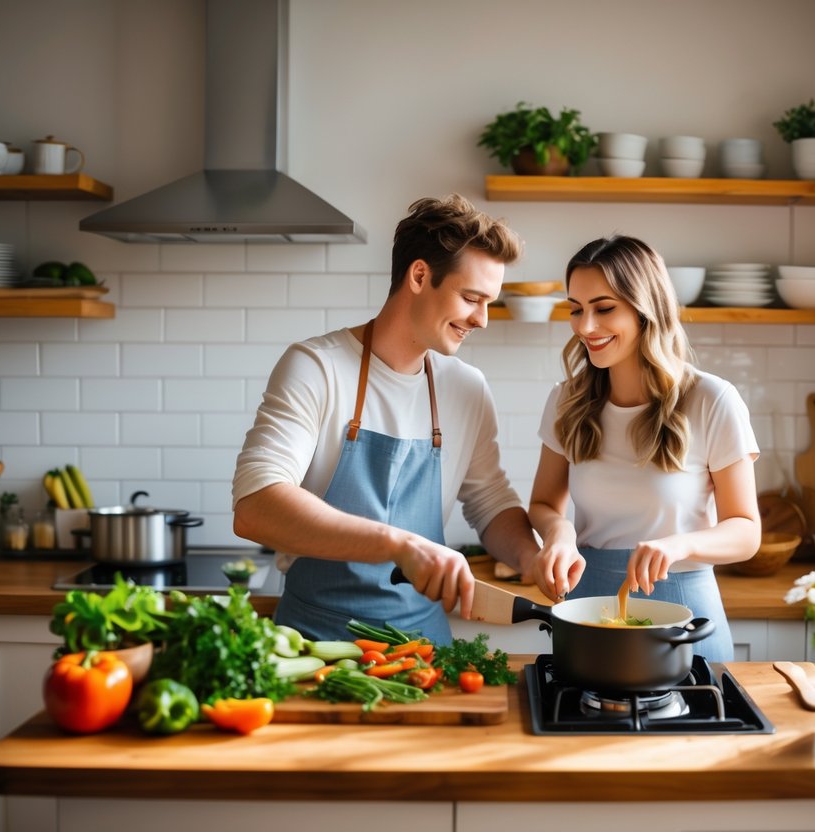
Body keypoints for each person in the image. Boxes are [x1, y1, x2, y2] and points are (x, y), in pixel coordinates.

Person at [232, 194, 539, 645]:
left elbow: (490, 503)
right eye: (472, 298)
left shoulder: (465, 387)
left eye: (489, 302)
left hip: (425, 653)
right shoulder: (317, 367)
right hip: (315, 648)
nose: (483, 319)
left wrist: (533, 556)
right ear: (419, 275)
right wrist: (400, 544)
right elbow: (256, 506)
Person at [524, 235, 761, 662]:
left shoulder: (711, 399)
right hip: (588, 611)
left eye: (604, 308)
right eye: (576, 309)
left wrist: (679, 546)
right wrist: (559, 532)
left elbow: (746, 531)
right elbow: (543, 502)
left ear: (645, 307)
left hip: (686, 617)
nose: (585, 327)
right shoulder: (568, 400)